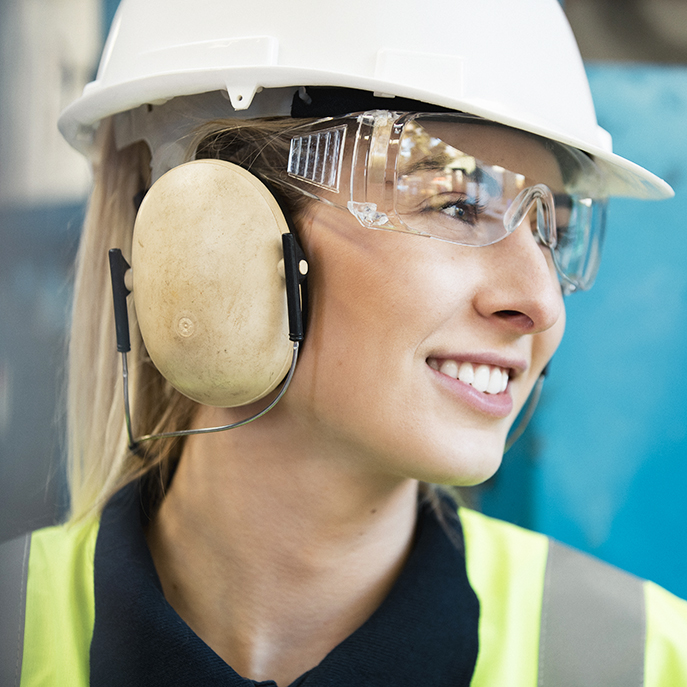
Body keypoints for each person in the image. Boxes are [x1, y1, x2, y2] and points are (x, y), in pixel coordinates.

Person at [1, 0, 686, 685]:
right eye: (455, 203)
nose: (539, 304)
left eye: (553, 233)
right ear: (211, 228)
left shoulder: (646, 660)